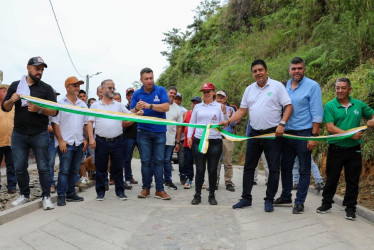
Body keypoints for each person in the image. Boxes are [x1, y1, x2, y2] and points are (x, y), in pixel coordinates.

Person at [220, 59, 293, 212]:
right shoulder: (249, 90)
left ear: (266, 71)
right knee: (249, 167)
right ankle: (246, 198)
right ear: (252, 73)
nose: (258, 73)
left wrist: (282, 124)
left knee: (273, 168)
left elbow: (288, 106)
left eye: (260, 70)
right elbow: (241, 111)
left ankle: (269, 200)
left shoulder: (277, 86)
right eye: (255, 71)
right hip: (253, 133)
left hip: (272, 133)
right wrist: (228, 121)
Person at [2, 56, 57, 210]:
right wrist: (12, 100)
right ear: (28, 67)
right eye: (37, 68)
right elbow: (5, 107)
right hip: (19, 134)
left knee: (43, 167)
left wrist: (40, 110)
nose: (40, 72)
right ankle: (24, 195)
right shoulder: (15, 86)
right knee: (19, 167)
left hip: (39, 134)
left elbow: (54, 111)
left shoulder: (46, 89)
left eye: (42, 69)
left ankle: (46, 196)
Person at [316, 77, 374, 220]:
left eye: (343, 88)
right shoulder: (330, 106)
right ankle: (326, 204)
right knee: (332, 178)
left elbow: (372, 114)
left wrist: (371, 120)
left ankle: (350, 208)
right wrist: (350, 135)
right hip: (336, 149)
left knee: (352, 180)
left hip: (354, 150)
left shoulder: (358, 105)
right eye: (337, 88)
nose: (340, 91)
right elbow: (330, 127)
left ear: (349, 89)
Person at [274, 57, 323, 214]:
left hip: (304, 133)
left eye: (299, 68)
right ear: (289, 70)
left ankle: (300, 201)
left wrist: (313, 136)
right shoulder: (285, 86)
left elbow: (317, 113)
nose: (296, 71)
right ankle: (286, 195)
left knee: (304, 169)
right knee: (286, 167)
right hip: (287, 133)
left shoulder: (312, 86)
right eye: (294, 69)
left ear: (304, 70)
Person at [87, 79, 136, 201]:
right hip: (101, 141)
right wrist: (91, 139)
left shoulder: (118, 105)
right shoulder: (95, 105)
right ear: (102, 89)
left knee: (118, 168)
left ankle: (120, 192)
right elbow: (89, 122)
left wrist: (138, 112)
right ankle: (100, 192)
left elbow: (130, 114)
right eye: (109, 88)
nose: (112, 90)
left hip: (117, 141)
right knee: (100, 168)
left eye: (113, 88)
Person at [130, 68, 171, 200]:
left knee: (159, 161)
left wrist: (150, 106)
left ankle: (160, 190)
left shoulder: (161, 90)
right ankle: (146, 188)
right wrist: (137, 110)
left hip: (160, 132)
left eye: (151, 78)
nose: (149, 81)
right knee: (145, 162)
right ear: (141, 80)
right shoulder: (136, 94)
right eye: (146, 79)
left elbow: (166, 107)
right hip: (143, 132)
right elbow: (131, 112)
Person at [188, 82, 228, 205]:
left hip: (214, 140)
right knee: (200, 169)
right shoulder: (198, 107)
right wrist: (189, 136)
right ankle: (197, 194)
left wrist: (225, 113)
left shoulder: (219, 106)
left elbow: (224, 124)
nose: (206, 94)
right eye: (204, 92)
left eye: (208, 91)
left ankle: (211, 195)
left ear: (213, 92)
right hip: (199, 140)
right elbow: (192, 122)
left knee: (212, 169)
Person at [51, 76, 88, 206]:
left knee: (74, 170)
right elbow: (55, 123)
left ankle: (71, 193)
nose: (77, 87)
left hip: (78, 142)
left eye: (78, 85)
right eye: (74, 85)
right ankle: (61, 195)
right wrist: (60, 140)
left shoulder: (82, 105)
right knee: (64, 170)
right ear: (67, 87)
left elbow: (85, 123)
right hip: (65, 143)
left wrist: (86, 139)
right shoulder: (60, 103)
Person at [215, 90, 237, 192]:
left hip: (227, 138)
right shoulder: (212, 107)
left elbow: (235, 122)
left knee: (228, 161)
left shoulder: (231, 109)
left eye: (222, 97)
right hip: (215, 137)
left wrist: (229, 117)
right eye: (218, 97)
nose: (219, 99)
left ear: (226, 98)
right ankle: (214, 182)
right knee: (215, 161)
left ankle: (228, 182)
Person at [164, 87, 183, 190]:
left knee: (167, 160)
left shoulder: (178, 109)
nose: (172, 95)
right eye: (171, 93)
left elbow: (179, 127)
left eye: (174, 93)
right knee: (157, 160)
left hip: (171, 139)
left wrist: (178, 142)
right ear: (167, 93)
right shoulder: (161, 105)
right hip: (158, 138)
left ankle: (168, 180)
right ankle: (155, 180)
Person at [181, 96, 201, 189]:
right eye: (193, 103)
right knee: (188, 162)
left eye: (197, 103)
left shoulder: (202, 114)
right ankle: (189, 179)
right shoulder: (186, 113)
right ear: (191, 104)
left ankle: (201, 180)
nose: (195, 105)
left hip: (199, 141)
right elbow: (181, 127)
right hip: (187, 142)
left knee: (199, 162)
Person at [0, 84, 17, 194]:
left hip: (12, 141)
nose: (5, 93)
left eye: (7, 91)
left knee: (12, 165)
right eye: (3, 91)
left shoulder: (14, 107)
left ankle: (11, 186)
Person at [123, 87, 138, 189]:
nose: (131, 96)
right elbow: (124, 122)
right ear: (126, 97)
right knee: (127, 159)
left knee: (146, 159)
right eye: (129, 94)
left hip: (141, 135)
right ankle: (128, 179)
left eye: (132, 94)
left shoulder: (141, 106)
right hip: (128, 136)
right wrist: (136, 116)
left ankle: (148, 180)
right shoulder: (124, 108)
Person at [174, 92, 188, 182]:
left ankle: (182, 175)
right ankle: (166, 178)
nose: (177, 101)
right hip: (169, 137)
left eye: (179, 99)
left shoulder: (185, 111)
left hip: (181, 138)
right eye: (176, 99)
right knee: (165, 158)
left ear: (181, 101)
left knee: (181, 158)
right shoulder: (167, 108)